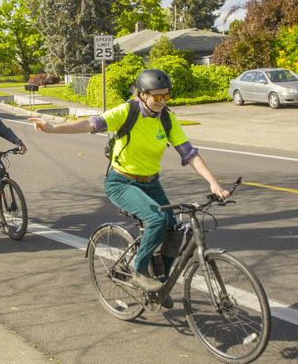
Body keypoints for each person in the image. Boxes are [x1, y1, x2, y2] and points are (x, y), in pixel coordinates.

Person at [28, 69, 230, 305]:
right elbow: (91, 123)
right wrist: (52, 128)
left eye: (167, 96)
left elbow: (189, 153)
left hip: (151, 183)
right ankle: (139, 270)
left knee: (172, 228)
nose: (163, 101)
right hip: (121, 182)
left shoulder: (167, 119)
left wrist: (213, 182)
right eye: (157, 97)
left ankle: (158, 286)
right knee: (156, 219)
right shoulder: (127, 112)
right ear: (142, 95)